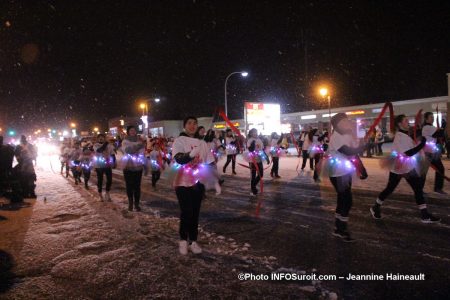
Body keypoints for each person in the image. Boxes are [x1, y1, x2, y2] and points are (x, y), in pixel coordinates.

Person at [370, 114, 440, 223]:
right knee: (390, 189)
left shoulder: (406, 134)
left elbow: (412, 146)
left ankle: (425, 215)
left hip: (407, 166)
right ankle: (375, 207)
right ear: (399, 124)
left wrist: (419, 141)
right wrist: (421, 145)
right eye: (406, 120)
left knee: (417, 189)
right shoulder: (399, 136)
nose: (408, 122)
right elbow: (408, 153)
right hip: (398, 167)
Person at [321, 113, 367, 242]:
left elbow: (354, 155)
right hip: (337, 172)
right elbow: (347, 151)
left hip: (345, 170)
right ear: (337, 124)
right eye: (344, 121)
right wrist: (364, 147)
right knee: (347, 200)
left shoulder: (347, 135)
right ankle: (341, 229)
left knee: (343, 200)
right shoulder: (336, 136)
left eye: (347, 120)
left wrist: (361, 168)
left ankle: (338, 228)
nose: (347, 123)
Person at [172, 116, 208, 255]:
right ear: (184, 125)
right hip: (182, 181)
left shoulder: (202, 142)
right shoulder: (179, 140)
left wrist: (214, 180)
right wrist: (191, 154)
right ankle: (183, 239)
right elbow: (178, 159)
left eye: (195, 123)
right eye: (189, 123)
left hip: (198, 181)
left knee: (195, 213)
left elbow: (208, 162)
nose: (193, 126)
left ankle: (193, 241)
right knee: (187, 211)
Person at [121, 126, 145, 211]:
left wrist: (138, 149)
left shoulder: (140, 140)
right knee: (129, 185)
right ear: (128, 132)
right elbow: (127, 150)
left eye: (134, 130)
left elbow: (142, 152)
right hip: (128, 165)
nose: (133, 131)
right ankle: (130, 203)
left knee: (137, 186)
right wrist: (138, 147)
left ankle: (137, 204)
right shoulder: (125, 141)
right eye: (131, 130)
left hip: (138, 165)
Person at [422, 112, 446, 194]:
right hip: (428, 153)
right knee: (423, 172)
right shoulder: (427, 127)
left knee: (440, 169)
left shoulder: (431, 127)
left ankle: (438, 188)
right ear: (426, 119)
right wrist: (443, 125)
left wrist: (441, 128)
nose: (432, 118)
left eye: (433, 117)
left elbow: (439, 134)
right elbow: (439, 134)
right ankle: (419, 189)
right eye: (430, 117)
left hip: (432, 152)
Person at [247, 128, 270, 196]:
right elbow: (250, 149)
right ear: (251, 134)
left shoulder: (259, 140)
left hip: (259, 159)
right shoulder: (249, 140)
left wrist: (266, 157)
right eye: (254, 132)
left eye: (256, 132)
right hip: (252, 160)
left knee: (261, 174)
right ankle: (253, 189)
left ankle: (253, 186)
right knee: (253, 175)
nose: (255, 133)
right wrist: (252, 144)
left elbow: (262, 150)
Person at [93, 134, 116, 201]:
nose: (101, 139)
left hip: (107, 164)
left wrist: (114, 162)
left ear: (104, 138)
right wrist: (106, 143)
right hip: (99, 165)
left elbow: (112, 154)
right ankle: (100, 195)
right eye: (99, 138)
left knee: (109, 180)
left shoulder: (109, 145)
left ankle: (107, 193)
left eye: (102, 138)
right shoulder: (96, 145)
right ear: (97, 139)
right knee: (100, 180)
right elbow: (99, 150)